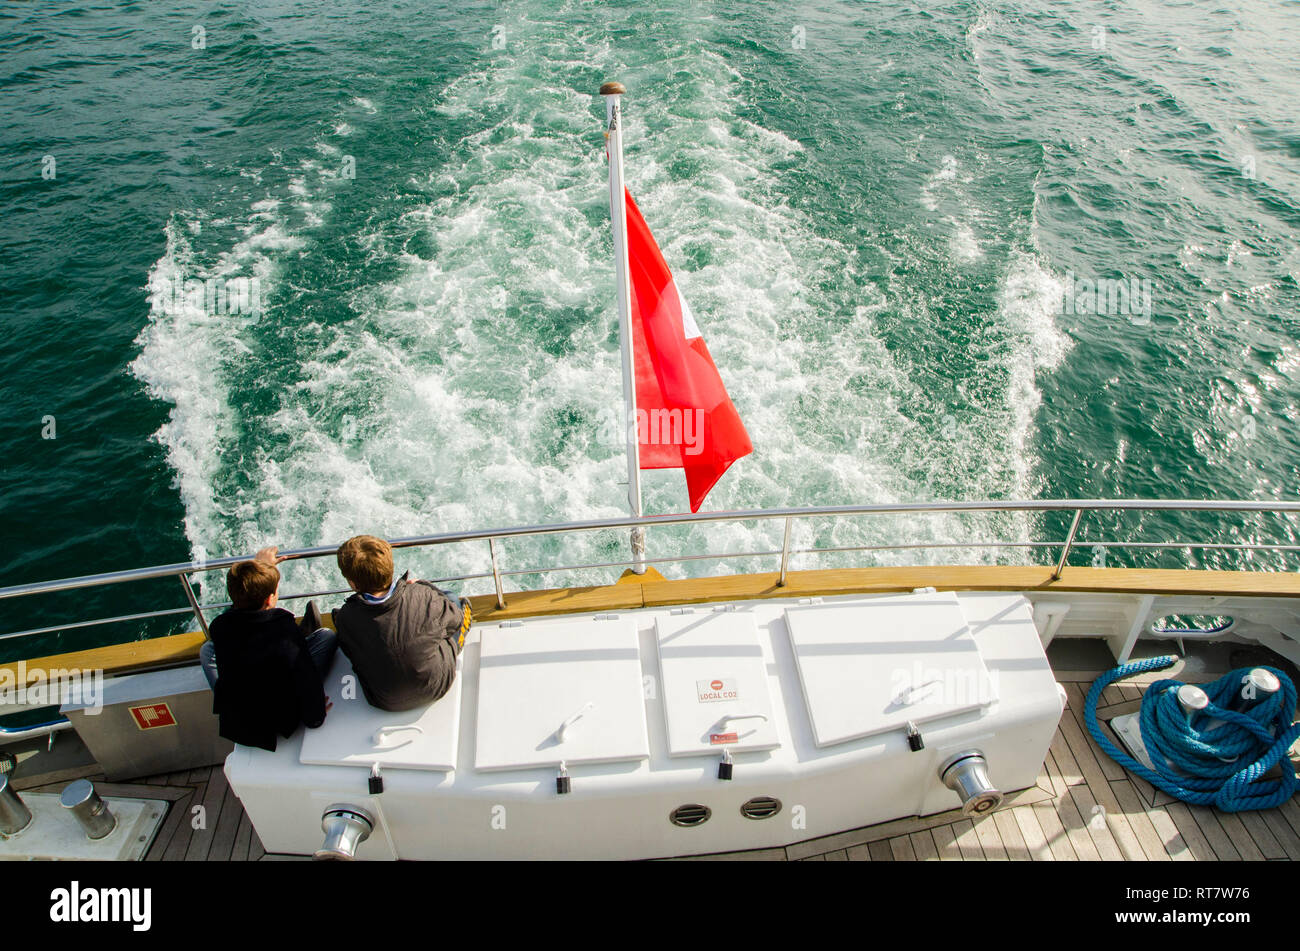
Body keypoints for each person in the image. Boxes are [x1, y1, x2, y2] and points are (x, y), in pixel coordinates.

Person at [200, 546, 338, 751]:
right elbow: (305, 677)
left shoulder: (220, 626)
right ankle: (308, 632)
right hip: (281, 719)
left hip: (242, 721)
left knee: (207, 650)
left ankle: (229, 699)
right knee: (326, 636)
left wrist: (260, 567)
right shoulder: (284, 629)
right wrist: (314, 716)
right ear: (269, 599)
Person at [331, 534, 472, 712]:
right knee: (454, 601)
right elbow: (455, 621)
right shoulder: (422, 595)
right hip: (435, 686)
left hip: (383, 700)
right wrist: (424, 586)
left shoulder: (346, 617)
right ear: (390, 567)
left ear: (353, 583)